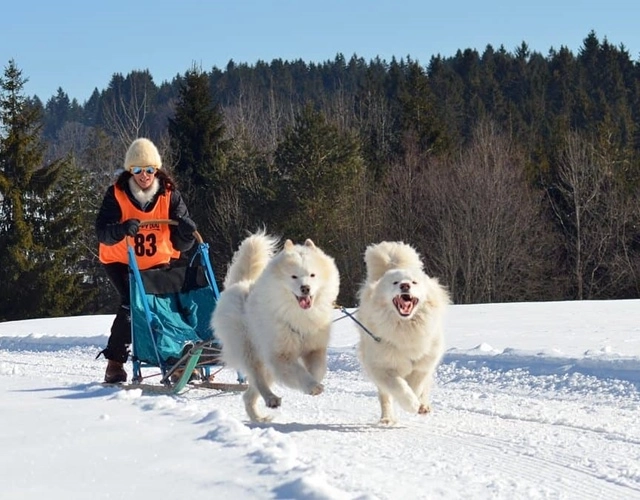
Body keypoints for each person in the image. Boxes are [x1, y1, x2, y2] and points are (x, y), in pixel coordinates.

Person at [96, 138, 198, 383]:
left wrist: (186, 234)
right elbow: (102, 231)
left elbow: (182, 242)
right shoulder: (117, 194)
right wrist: (121, 229)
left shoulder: (169, 195)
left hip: (157, 260)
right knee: (132, 304)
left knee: (166, 306)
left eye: (149, 170)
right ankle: (115, 362)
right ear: (130, 171)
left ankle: (176, 357)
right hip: (121, 260)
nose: (144, 176)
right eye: (138, 170)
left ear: (157, 170)